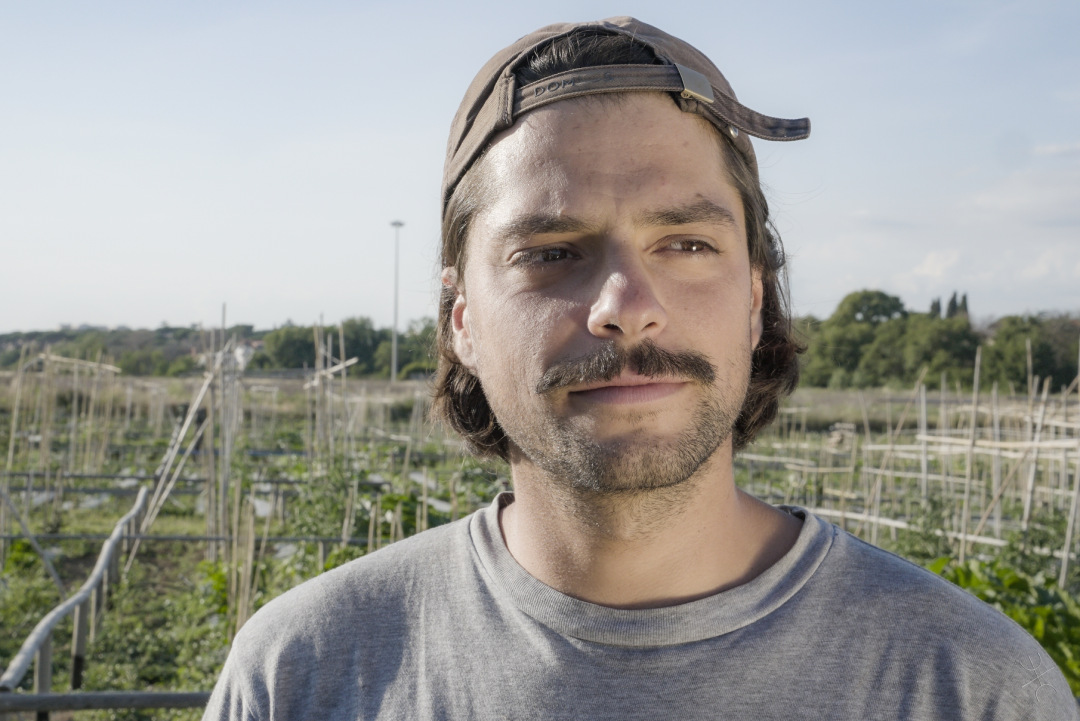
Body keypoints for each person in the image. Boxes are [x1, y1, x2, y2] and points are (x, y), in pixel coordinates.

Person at [204, 17, 1078, 719]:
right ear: (460, 318)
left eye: (688, 241)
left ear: (754, 299)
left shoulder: (974, 688)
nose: (625, 300)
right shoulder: (301, 676)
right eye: (550, 252)